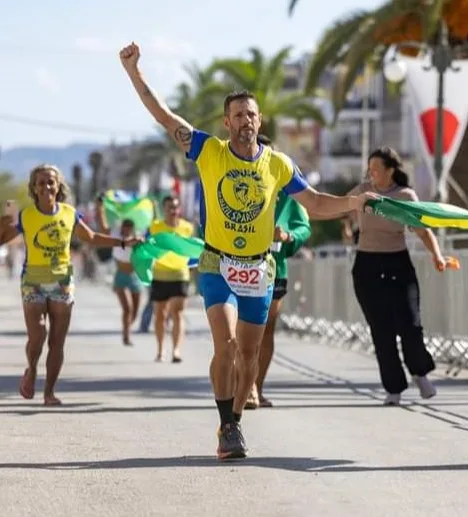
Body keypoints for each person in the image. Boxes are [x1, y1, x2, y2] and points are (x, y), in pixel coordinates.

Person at [120, 41, 376, 460]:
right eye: (238, 115)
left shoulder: (278, 164)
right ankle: (227, 425)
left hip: (260, 268)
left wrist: (352, 202)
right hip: (217, 262)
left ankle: (236, 417)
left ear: (260, 120)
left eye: (251, 114)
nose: (245, 120)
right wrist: (135, 72)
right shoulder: (209, 151)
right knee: (226, 346)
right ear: (226, 122)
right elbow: (165, 118)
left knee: (251, 352)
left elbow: (312, 202)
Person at [0, 165, 141, 406]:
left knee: (57, 340)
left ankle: (49, 392)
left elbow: (93, 238)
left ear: (58, 186)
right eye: (41, 182)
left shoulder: (69, 213)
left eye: (51, 182)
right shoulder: (26, 216)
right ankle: (32, 368)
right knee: (38, 336)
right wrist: (6, 219)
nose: (46, 187)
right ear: (34, 188)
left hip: (62, 283)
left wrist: (123, 242)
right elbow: (2, 239)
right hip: (32, 281)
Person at [348, 147, 446, 406]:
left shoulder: (405, 196)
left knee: (410, 324)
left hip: (398, 264)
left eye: (376, 170)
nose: (372, 174)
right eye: (369, 170)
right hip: (367, 266)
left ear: (391, 170)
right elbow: (340, 208)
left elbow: (423, 231)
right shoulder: (363, 192)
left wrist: (437, 256)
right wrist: (347, 226)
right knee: (381, 331)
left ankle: (420, 372)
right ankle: (393, 387)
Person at [243, 135, 313, 410]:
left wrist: (286, 236)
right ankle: (242, 385)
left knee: (265, 330)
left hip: (275, 269)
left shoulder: (288, 192)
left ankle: (255, 388)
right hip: (240, 267)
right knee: (243, 332)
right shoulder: (239, 186)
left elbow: (304, 226)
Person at [147, 196, 196, 363]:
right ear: (164, 209)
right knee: (160, 315)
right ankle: (160, 350)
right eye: (169, 207)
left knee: (178, 313)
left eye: (175, 207)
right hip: (160, 274)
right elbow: (147, 247)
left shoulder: (188, 228)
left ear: (179, 209)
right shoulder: (155, 227)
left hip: (180, 274)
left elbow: (193, 249)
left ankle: (176, 351)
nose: (173, 211)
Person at [95, 210, 143, 347]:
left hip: (135, 275)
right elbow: (103, 227)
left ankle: (127, 326)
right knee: (127, 308)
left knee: (134, 311)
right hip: (121, 275)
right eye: (125, 226)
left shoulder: (136, 238)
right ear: (122, 227)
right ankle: (126, 336)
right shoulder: (116, 235)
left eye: (129, 227)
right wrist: (100, 209)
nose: (127, 229)